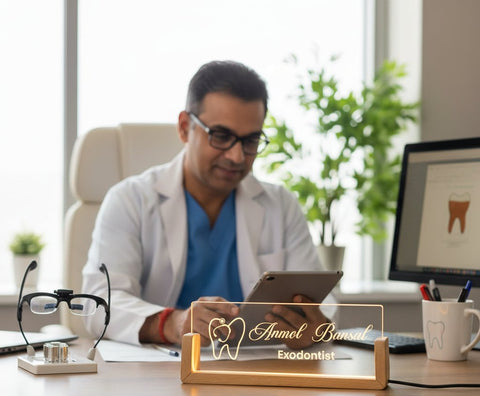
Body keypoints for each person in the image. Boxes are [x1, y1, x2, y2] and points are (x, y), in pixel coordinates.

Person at [82, 60, 328, 349]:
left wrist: (313, 325)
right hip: (160, 375)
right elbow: (99, 304)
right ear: (185, 128)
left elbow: (324, 305)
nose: (237, 156)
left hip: (260, 370)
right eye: (221, 136)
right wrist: (174, 323)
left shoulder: (281, 206)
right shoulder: (130, 200)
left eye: (251, 140)